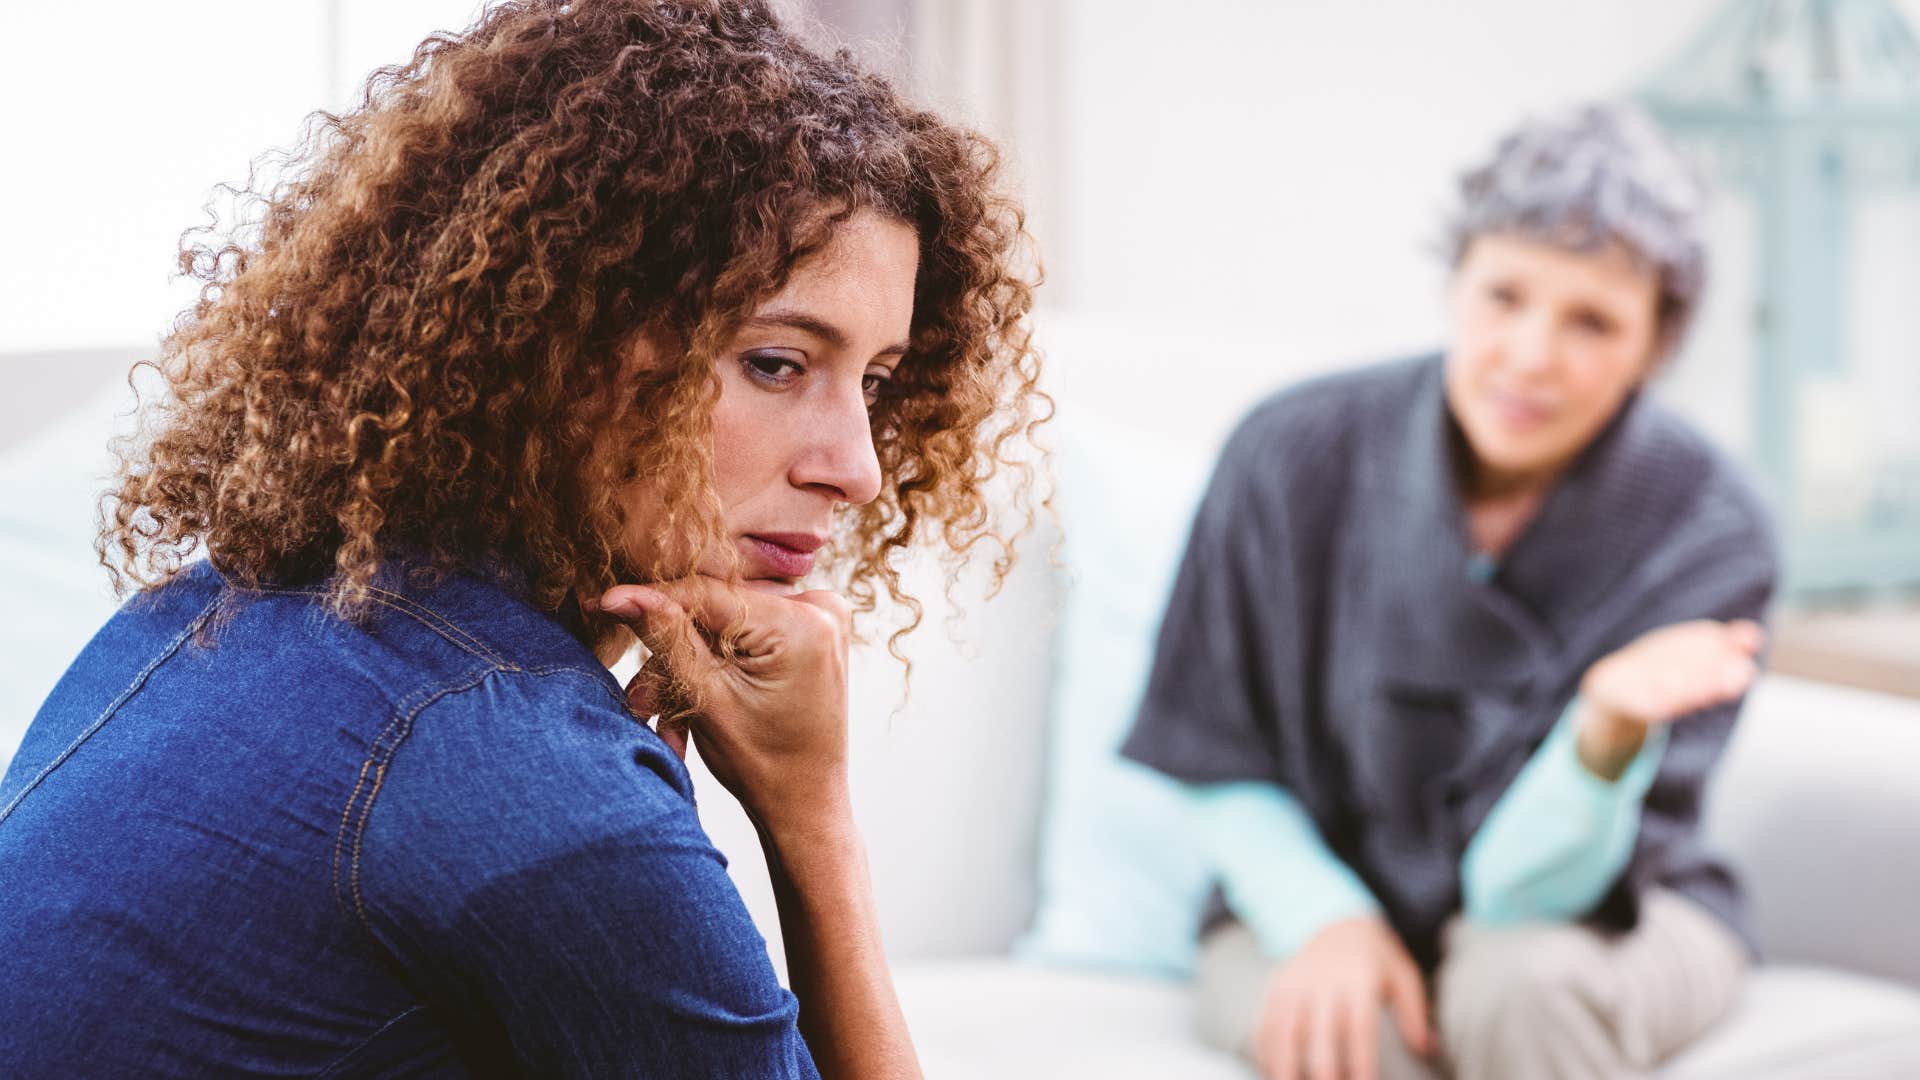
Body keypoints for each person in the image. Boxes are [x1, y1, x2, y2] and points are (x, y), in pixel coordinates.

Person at [0, 2, 1041, 1076]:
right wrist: (814, 822)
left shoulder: (205, 613)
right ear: (560, 346)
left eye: (875, 383)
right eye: (775, 363)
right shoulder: (526, 774)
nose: (857, 467)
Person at [1122, 103, 1774, 1080]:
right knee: (1351, 1032)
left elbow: (1526, 904)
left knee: (1523, 991)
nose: (1531, 355)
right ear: (1456, 279)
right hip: (1304, 888)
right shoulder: (1288, 453)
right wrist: (1326, 919)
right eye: (1505, 295)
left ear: (1655, 347)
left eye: (1593, 321)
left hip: (1612, 911)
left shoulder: (1710, 527)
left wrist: (1601, 739)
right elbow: (1215, 751)